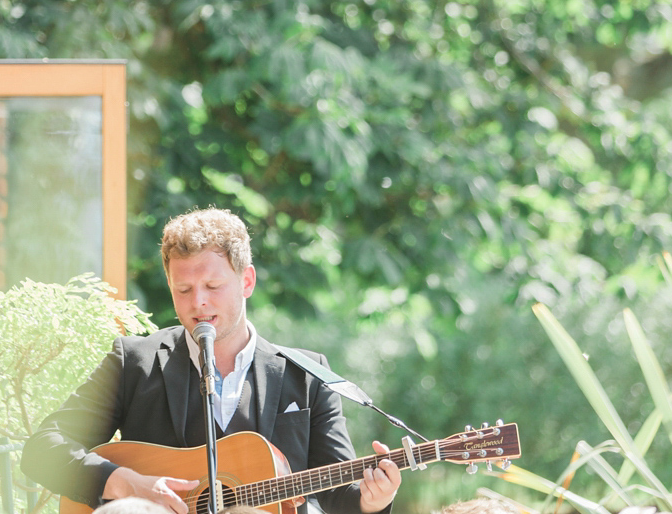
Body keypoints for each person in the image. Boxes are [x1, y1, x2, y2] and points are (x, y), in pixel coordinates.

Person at [21, 208, 402, 514]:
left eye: (212, 287)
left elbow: (340, 495)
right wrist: (124, 483)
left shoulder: (306, 374)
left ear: (247, 281)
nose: (197, 303)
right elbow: (43, 448)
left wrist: (373, 501)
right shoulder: (134, 361)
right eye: (183, 290)